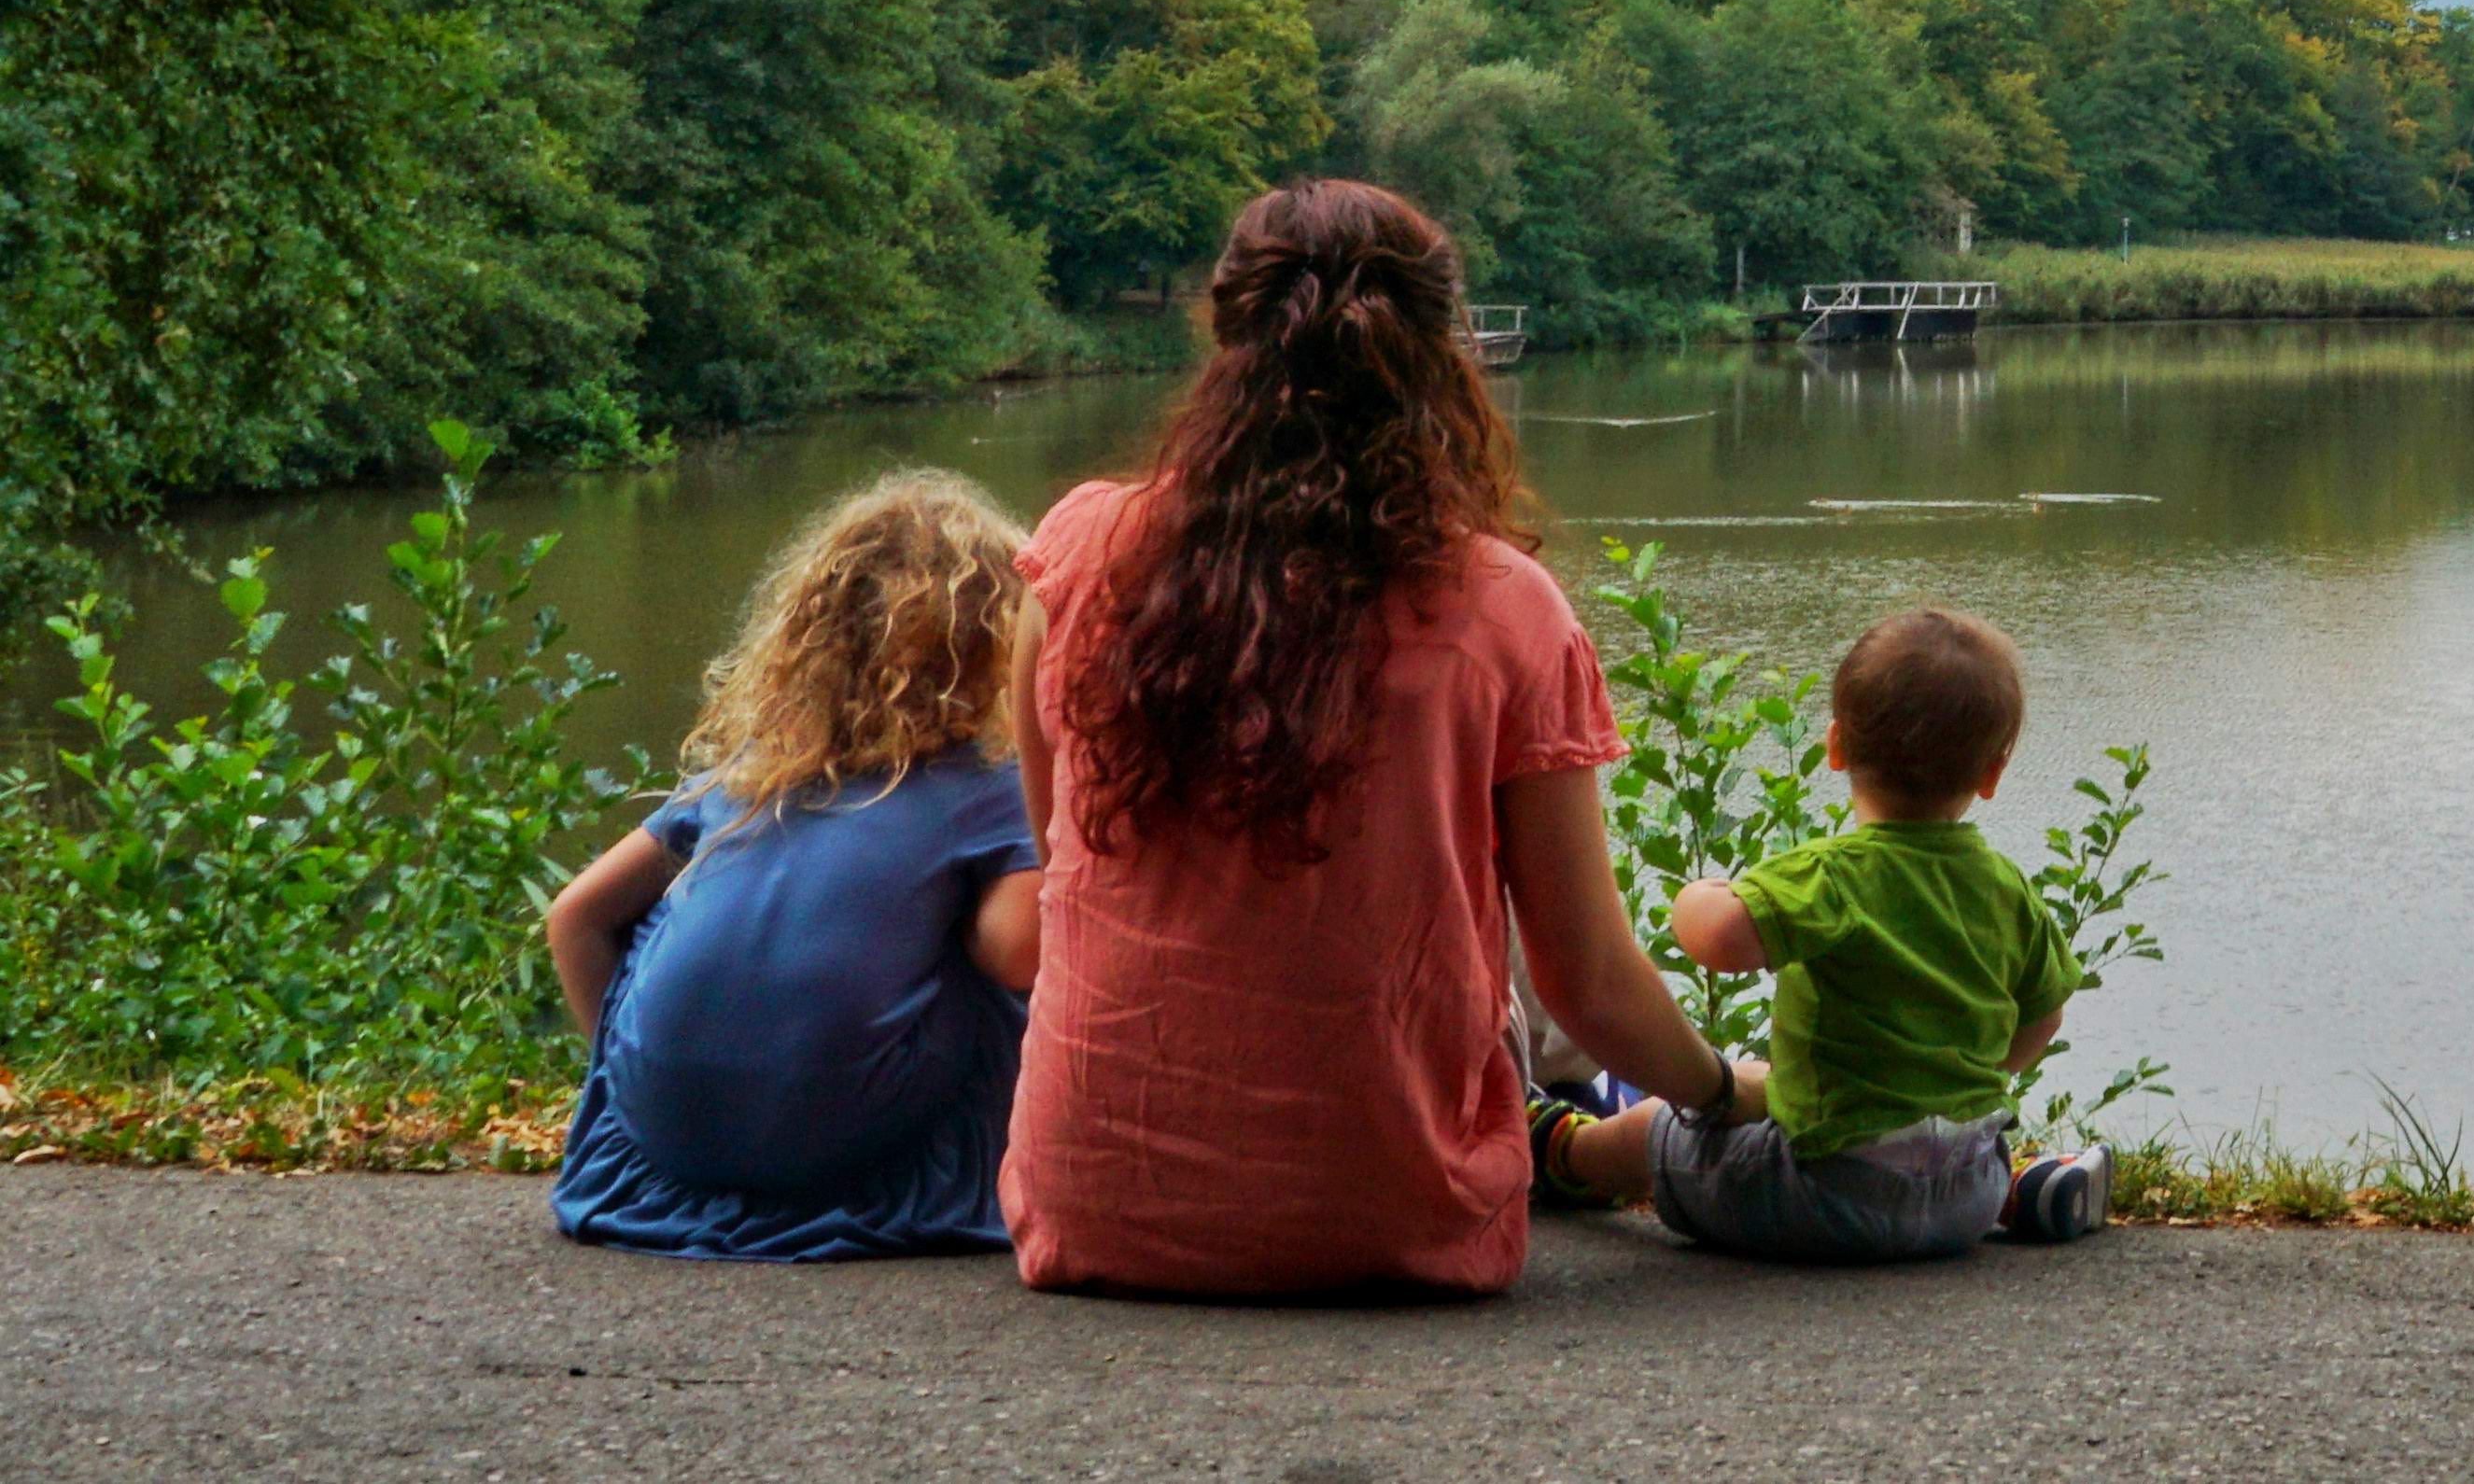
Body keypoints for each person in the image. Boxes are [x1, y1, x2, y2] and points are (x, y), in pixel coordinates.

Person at [1000, 177, 1759, 1297]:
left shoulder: (1075, 551)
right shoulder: (1504, 602)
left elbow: (1062, 855)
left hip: (1096, 1208)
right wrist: (1724, 1091)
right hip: (1393, 1220)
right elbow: (1586, 980)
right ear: (1442, 356)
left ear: (1222, 335)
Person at [543, 471, 1043, 1260]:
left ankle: (679, 1100)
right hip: (842, 1140)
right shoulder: (987, 784)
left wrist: (626, 1097)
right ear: (997, 642)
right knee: (975, 960)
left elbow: (574, 917)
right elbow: (1019, 954)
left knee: (669, 919)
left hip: (660, 1145)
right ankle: (1005, 1167)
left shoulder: (746, 773)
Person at [1531, 606, 2116, 1260]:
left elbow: (1718, 942)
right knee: (1929, 1154)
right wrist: (1974, 1076)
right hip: (1963, 1191)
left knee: (1666, 1124)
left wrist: (1700, 894)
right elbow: (2044, 1013)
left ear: (1834, 746)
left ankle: (1562, 1152)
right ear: (1990, 774)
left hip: (1819, 1195)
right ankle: (2024, 1190)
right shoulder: (2006, 888)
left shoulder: (1832, 877)